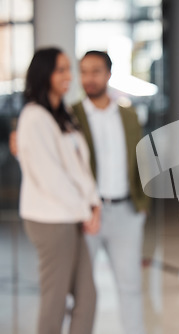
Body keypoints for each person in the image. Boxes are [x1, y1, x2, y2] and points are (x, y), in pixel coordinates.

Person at [16, 47, 101, 334]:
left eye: (69, 69)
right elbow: (51, 178)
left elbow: (79, 168)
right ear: (44, 74)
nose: (69, 76)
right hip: (51, 220)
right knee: (55, 302)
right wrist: (84, 211)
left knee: (87, 297)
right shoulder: (34, 117)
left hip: (72, 217)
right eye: (60, 69)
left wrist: (93, 203)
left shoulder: (62, 115)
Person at [71, 50, 150, 334]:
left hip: (126, 212)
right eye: (84, 71)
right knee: (82, 290)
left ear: (108, 74)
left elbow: (140, 159)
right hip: (86, 215)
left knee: (129, 286)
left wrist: (142, 205)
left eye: (95, 71)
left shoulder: (128, 115)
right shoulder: (72, 115)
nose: (88, 78)